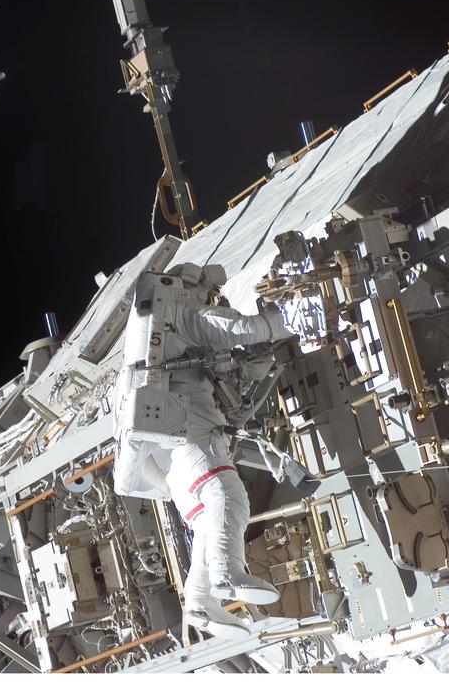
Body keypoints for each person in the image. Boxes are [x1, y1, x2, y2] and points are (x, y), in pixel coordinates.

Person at [113, 263, 291, 638]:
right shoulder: (184, 312)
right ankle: (227, 572)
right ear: (193, 287)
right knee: (227, 495)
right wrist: (282, 318)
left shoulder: (149, 331)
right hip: (188, 430)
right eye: (209, 293)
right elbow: (239, 328)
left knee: (207, 519)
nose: (212, 300)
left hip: (162, 448)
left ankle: (199, 601)